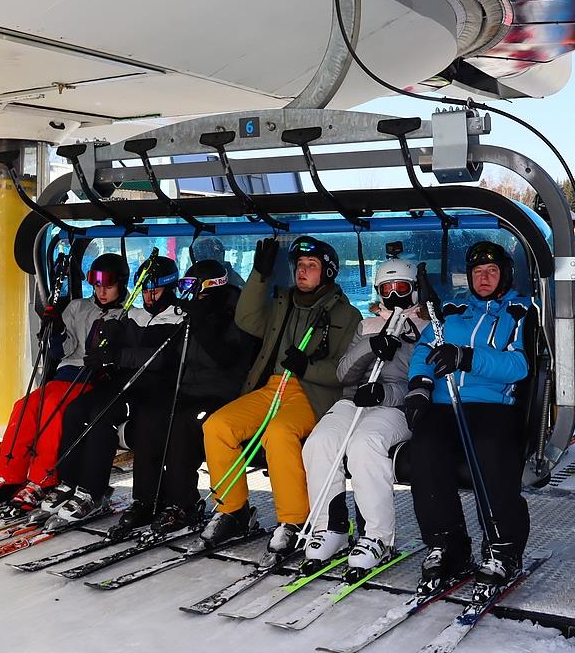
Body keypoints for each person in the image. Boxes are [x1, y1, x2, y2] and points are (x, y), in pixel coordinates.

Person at [200, 235, 360, 554]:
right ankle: (233, 510)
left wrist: (307, 368)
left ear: (328, 272)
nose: (302, 270)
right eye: (299, 264)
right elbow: (246, 319)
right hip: (274, 387)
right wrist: (260, 275)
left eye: (311, 265)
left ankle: (294, 520)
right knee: (217, 426)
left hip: (311, 394)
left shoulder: (347, 315)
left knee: (278, 432)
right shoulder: (283, 304)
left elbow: (347, 372)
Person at [404, 241, 531, 592]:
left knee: (491, 450)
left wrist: (467, 358)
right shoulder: (451, 311)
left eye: (492, 272)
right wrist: (420, 384)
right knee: (425, 449)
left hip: (491, 404)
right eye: (477, 272)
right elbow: (425, 348)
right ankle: (448, 544)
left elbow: (518, 365)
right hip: (445, 402)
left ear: (505, 275)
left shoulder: (518, 313)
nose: (484, 278)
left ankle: (503, 548)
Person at [0, 252, 130, 515]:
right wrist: (56, 329)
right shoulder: (78, 307)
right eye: (97, 285)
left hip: (92, 378)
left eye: (108, 286)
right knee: (24, 406)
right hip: (66, 374)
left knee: (54, 409)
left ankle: (43, 478)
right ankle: (10, 476)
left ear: (121, 284)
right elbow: (63, 350)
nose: (101, 292)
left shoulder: (126, 314)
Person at [110, 258, 254, 537]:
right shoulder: (190, 311)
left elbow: (228, 360)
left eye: (193, 286)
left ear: (210, 286)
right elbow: (174, 356)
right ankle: (147, 498)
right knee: (150, 418)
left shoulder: (234, 313)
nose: (189, 293)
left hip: (220, 394)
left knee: (182, 426)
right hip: (187, 389)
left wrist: (200, 324)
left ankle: (183, 503)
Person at [302, 257, 427, 576]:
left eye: (401, 288)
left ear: (414, 289)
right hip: (355, 400)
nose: (394, 295)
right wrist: (372, 345)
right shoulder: (367, 325)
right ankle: (330, 527)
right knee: (320, 442)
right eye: (387, 289)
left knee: (364, 445)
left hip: (395, 408)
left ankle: (377, 536)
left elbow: (424, 383)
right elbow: (344, 373)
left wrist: (385, 393)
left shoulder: (427, 328)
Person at [46, 255, 184, 528]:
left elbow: (161, 358)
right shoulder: (134, 314)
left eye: (156, 291)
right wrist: (105, 338)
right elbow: (106, 345)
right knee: (75, 410)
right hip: (123, 384)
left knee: (101, 417)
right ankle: (68, 481)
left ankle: (92, 491)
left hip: (152, 389)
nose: (149, 297)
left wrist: (118, 355)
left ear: (169, 288)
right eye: (145, 291)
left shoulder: (178, 317)